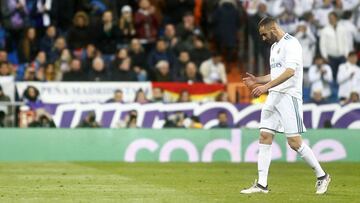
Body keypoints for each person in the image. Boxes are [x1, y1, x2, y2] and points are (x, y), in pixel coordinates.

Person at [241, 17, 330, 195]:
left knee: (294, 142)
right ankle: (262, 184)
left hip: (289, 97)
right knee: (265, 135)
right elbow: (276, 74)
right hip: (274, 96)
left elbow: (290, 71)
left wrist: (265, 87)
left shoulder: (292, 44)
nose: (263, 38)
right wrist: (258, 80)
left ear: (273, 28)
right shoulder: (274, 47)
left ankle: (322, 176)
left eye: (264, 34)